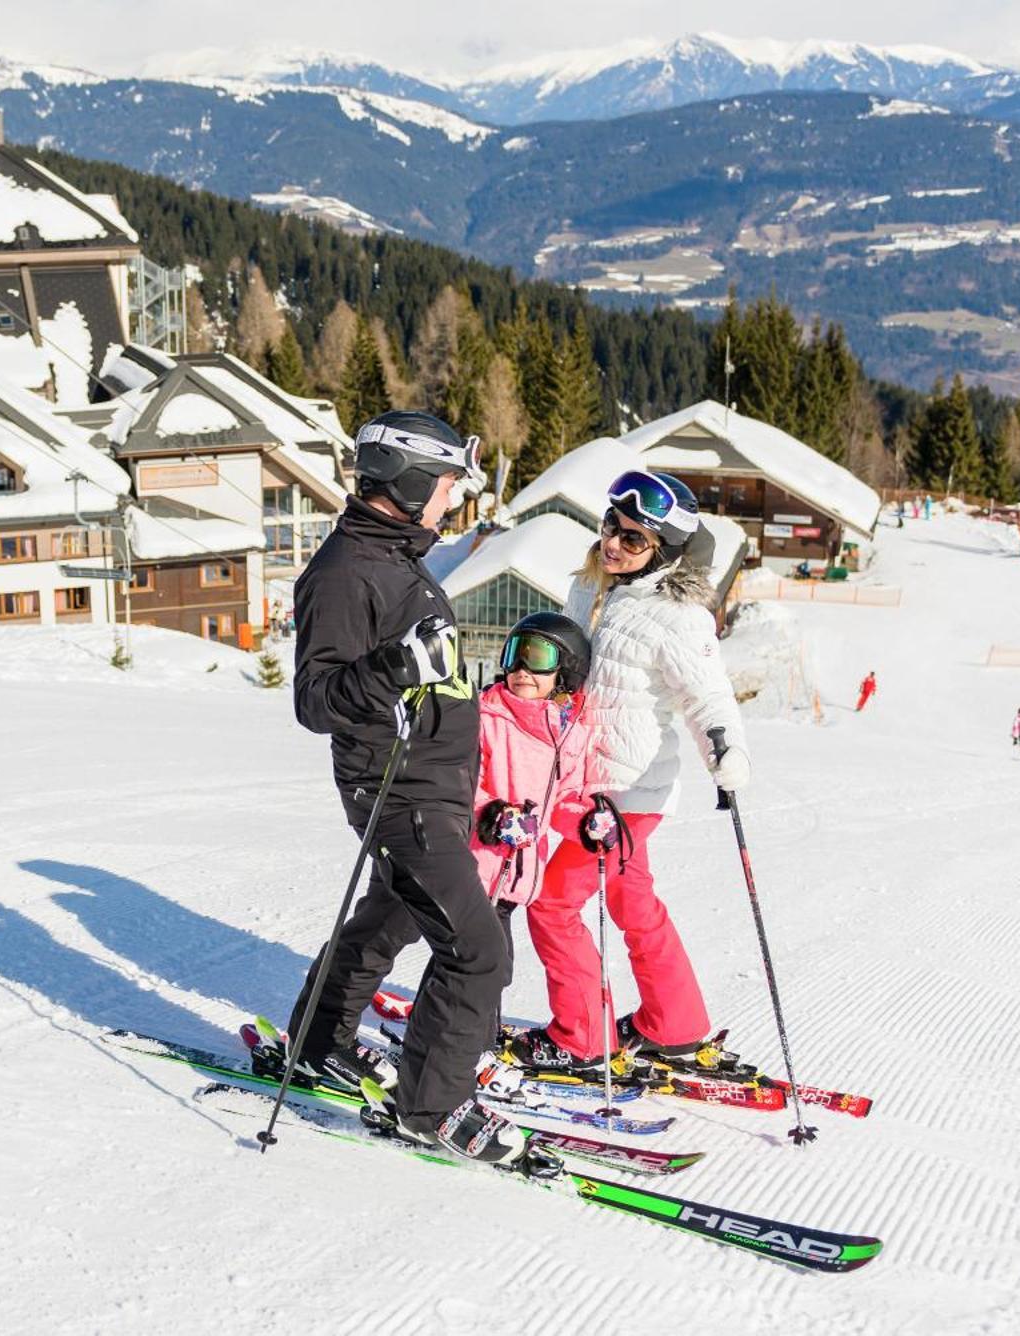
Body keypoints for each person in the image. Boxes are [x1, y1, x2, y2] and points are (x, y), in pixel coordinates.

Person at [284, 409, 533, 1165]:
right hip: (400, 792)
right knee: (480, 951)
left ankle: (317, 1039)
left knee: (391, 920)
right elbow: (314, 700)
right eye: (450, 484)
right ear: (414, 480)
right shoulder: (344, 572)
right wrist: (396, 669)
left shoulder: (393, 554)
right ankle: (431, 1107)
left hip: (434, 784)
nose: (455, 500)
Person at [506, 469, 753, 1081]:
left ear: (663, 552)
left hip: (626, 791)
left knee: (553, 904)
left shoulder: (678, 616)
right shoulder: (589, 590)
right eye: (611, 527)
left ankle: (583, 1038)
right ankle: (675, 1024)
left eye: (634, 539)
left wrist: (725, 753)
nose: (615, 543)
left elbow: (709, 698)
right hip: (578, 782)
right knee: (631, 899)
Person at [467, 613, 595, 1033]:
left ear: (565, 670)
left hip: (513, 880)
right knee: (479, 962)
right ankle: (463, 1042)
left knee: (494, 965)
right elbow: (459, 782)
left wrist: (588, 822)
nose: (521, 669)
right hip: (474, 867)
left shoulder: (567, 733)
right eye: (514, 655)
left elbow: (566, 802)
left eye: (536, 657)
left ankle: (473, 1035)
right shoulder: (486, 717)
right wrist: (490, 812)